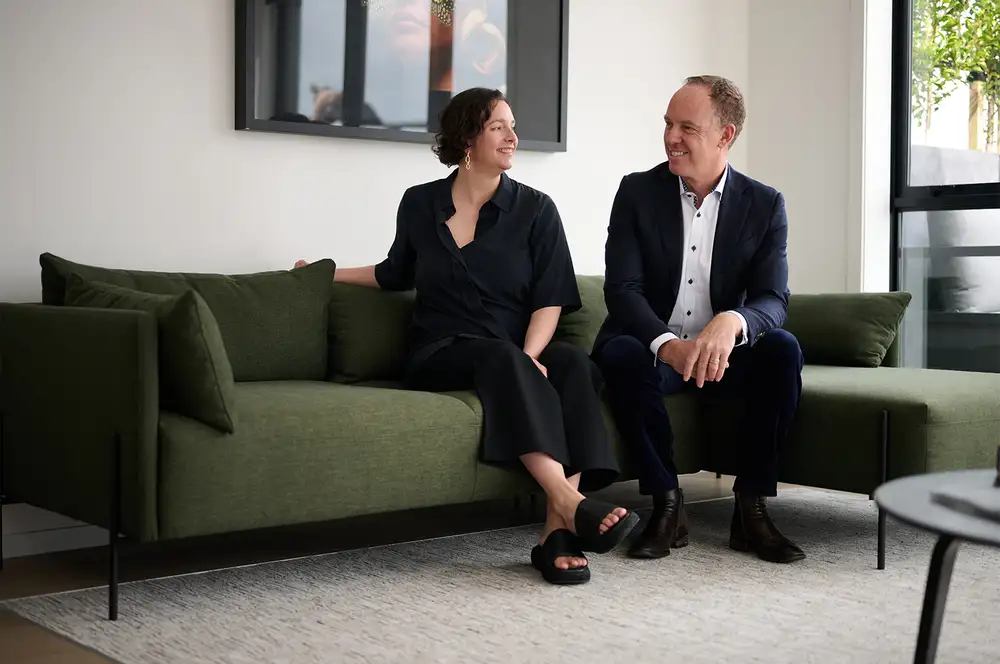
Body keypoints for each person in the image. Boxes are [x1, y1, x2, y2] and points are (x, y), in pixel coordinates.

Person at [297, 87, 638, 584]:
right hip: (440, 352)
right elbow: (394, 272)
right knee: (504, 359)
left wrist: (529, 356)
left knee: (574, 366)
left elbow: (550, 299)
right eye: (499, 126)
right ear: (467, 138)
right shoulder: (419, 204)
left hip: (509, 349)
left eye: (513, 125)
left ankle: (554, 533)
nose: (513, 137)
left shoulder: (537, 210)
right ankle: (569, 500)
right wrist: (324, 272)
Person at [592, 75, 806, 564]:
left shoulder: (765, 204)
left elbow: (774, 298)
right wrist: (668, 344)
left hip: (724, 357)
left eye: (687, 127)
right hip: (658, 353)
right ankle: (667, 505)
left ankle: (751, 509)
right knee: (621, 352)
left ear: (725, 135)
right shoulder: (637, 192)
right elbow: (622, 290)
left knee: (783, 349)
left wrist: (732, 321)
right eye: (668, 124)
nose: (671, 137)